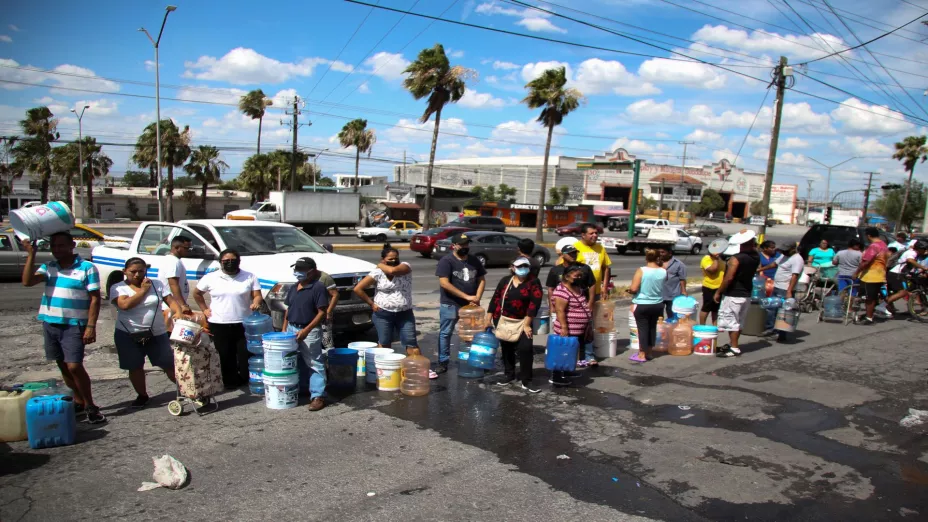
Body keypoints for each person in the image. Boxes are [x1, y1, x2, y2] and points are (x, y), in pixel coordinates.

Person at [21, 232, 106, 424]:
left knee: (74, 366)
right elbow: (27, 282)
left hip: (74, 325)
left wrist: (91, 326)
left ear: (72, 245)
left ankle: (91, 406)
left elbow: (95, 299)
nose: (57, 250)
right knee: (62, 365)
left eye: (61, 246)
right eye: (54, 246)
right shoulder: (49, 267)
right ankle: (79, 401)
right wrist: (31, 254)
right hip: (51, 323)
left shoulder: (87, 268)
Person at [111, 257, 185, 408]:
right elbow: (125, 305)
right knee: (135, 366)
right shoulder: (118, 288)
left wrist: (177, 312)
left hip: (157, 333)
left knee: (168, 364)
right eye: (133, 272)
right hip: (128, 334)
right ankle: (142, 395)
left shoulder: (156, 284)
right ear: (125, 271)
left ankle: (185, 390)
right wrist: (144, 290)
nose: (137, 275)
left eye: (141, 271)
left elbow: (170, 301)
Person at [192, 249, 263, 388]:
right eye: (226, 261)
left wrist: (256, 302)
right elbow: (197, 293)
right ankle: (229, 381)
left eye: (233, 261)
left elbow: (257, 295)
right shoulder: (211, 277)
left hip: (243, 322)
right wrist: (204, 309)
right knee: (225, 354)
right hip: (219, 323)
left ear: (239, 261)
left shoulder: (249, 276)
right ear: (221, 262)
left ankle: (245, 378)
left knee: (244, 353)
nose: (230, 263)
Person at [435, 233, 486, 377]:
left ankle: (471, 360)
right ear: (454, 245)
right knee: (446, 333)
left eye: (467, 244)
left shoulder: (474, 260)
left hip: (470, 306)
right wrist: (466, 296)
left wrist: (477, 297)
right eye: (462, 244)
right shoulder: (447, 261)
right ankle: (443, 361)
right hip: (450, 304)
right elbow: (444, 283)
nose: (465, 247)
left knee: (471, 335)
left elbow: (482, 280)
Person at [282, 257, 329, 411]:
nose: (298, 273)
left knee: (314, 362)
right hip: (291, 328)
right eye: (296, 269)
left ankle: (318, 395)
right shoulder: (294, 287)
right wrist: (284, 329)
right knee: (296, 361)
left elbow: (322, 312)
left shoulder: (318, 287)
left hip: (309, 330)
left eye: (302, 270)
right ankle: (303, 388)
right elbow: (288, 309)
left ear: (312, 271)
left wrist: (306, 330)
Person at [488, 257, 543, 393]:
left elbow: (534, 304)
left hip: (524, 322)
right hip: (504, 320)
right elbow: (495, 298)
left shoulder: (533, 282)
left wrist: (527, 324)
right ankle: (509, 374)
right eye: (519, 266)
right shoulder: (506, 281)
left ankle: (527, 381)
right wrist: (488, 318)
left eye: (525, 266)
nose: (522, 268)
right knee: (507, 348)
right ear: (512, 267)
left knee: (525, 349)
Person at [353, 244, 417, 349]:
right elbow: (358, 289)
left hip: (405, 313)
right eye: (390, 259)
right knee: (384, 343)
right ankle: (382, 365)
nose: (394, 261)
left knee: (411, 344)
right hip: (383, 313)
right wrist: (371, 303)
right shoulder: (377, 273)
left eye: (396, 258)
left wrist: (380, 265)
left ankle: (414, 365)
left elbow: (392, 271)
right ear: (383, 259)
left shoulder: (405, 267)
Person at [545, 244, 596, 366]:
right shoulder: (556, 270)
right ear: (562, 255)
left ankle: (587, 357)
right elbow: (551, 289)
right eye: (571, 253)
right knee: (567, 339)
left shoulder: (584, 268)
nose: (574, 255)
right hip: (564, 309)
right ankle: (566, 363)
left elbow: (592, 285)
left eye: (575, 253)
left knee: (587, 334)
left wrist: (590, 303)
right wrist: (552, 307)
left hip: (582, 307)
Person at [715, 232, 760, 358]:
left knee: (732, 322)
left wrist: (719, 292)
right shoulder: (756, 256)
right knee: (739, 321)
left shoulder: (736, 259)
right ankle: (732, 344)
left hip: (734, 293)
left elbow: (729, 278)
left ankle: (734, 347)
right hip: (746, 293)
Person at [550, 265, 593, 387]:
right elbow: (560, 310)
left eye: (580, 276)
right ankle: (556, 377)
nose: (579, 278)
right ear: (567, 276)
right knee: (562, 352)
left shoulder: (577, 288)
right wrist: (564, 327)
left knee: (570, 352)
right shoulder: (561, 291)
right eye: (576, 276)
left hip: (577, 330)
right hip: (567, 328)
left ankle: (568, 371)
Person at [628, 249, 667, 363]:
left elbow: (634, 288)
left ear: (646, 258)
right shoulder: (663, 271)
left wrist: (630, 290)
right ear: (658, 258)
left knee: (643, 329)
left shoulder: (641, 270)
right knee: (652, 328)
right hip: (658, 304)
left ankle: (641, 354)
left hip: (642, 304)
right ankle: (649, 352)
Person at [853, 228, 890, 323]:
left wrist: (856, 272)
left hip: (870, 276)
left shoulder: (874, 246)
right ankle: (869, 315)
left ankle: (869, 317)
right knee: (872, 297)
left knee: (869, 298)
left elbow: (866, 262)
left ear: (869, 236)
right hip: (880, 274)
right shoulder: (883, 245)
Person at [769, 243, 804, 341]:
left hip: (785, 289)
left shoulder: (797, 259)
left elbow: (795, 275)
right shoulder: (784, 256)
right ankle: (773, 330)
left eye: (786, 250)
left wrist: (789, 291)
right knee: (773, 309)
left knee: (784, 312)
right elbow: (774, 264)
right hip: (777, 286)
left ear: (793, 249)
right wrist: (760, 269)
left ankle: (782, 334)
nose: (783, 252)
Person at [884, 241, 928, 315]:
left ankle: (887, 306)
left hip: (898, 274)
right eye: (924, 249)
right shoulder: (912, 253)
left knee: (901, 292)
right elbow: (910, 260)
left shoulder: (914, 252)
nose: (925, 251)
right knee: (902, 292)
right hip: (896, 274)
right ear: (919, 248)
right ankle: (882, 306)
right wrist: (923, 267)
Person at [159, 236, 193, 329]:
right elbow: (173, 284)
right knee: (169, 334)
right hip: (171, 307)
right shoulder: (173, 262)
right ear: (177, 248)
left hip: (173, 306)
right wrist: (182, 305)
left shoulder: (175, 261)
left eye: (190, 248)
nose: (189, 250)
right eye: (186, 248)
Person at [574, 223, 612, 298]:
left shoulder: (600, 248)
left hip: (597, 292)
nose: (595, 235)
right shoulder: (575, 248)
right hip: (579, 292)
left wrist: (604, 287)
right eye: (591, 233)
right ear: (583, 235)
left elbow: (606, 268)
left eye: (596, 233)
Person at [658, 246, 686, 318]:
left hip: (673, 294)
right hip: (659, 294)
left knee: (672, 315)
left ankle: (671, 328)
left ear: (669, 253)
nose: (660, 254)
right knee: (658, 316)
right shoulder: (656, 263)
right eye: (659, 252)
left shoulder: (679, 264)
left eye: (663, 252)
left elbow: (682, 279)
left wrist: (683, 291)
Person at [699, 250, 724, 325]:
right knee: (706, 308)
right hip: (709, 287)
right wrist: (715, 259)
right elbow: (713, 270)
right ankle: (702, 326)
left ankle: (714, 327)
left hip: (719, 287)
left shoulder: (720, 259)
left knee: (715, 310)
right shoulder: (706, 259)